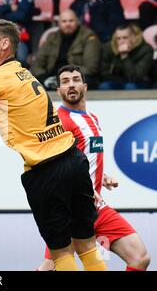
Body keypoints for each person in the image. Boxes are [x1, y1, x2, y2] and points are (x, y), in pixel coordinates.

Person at [0, 18, 107, 270]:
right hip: (73, 162)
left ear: (4, 44)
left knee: (61, 254)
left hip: (46, 171)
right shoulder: (19, 74)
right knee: (87, 246)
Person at [36, 65, 151, 271]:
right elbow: (53, 166)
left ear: (85, 86)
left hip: (95, 208)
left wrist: (101, 174)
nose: (71, 84)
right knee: (49, 267)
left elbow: (85, 155)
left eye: (75, 79)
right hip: (70, 209)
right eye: (65, 81)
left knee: (139, 258)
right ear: (59, 90)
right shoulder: (60, 122)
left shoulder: (92, 118)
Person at [31, 9, 101, 90]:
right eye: (64, 21)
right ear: (59, 23)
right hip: (52, 78)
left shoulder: (88, 37)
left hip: (76, 78)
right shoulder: (52, 37)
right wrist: (44, 78)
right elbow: (37, 64)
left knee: (88, 81)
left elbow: (91, 68)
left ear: (77, 21)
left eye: (71, 21)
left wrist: (67, 77)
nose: (68, 24)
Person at [100, 24, 153, 90]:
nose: (121, 41)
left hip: (138, 82)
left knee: (130, 86)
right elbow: (104, 74)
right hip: (116, 81)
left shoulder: (145, 50)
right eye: (118, 38)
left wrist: (124, 56)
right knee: (104, 86)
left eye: (125, 38)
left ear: (133, 38)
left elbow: (136, 77)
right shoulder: (108, 48)